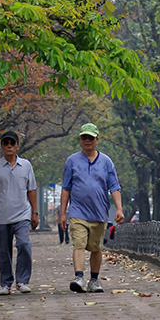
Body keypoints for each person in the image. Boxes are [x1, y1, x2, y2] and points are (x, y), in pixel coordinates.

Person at [60, 123, 124, 293]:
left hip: (99, 213)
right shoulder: (72, 161)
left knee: (96, 248)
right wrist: (62, 214)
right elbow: (66, 188)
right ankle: (79, 277)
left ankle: (94, 280)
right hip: (77, 212)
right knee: (79, 244)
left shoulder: (106, 162)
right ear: (80, 140)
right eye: (84, 138)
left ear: (97, 140)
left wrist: (119, 209)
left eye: (90, 138)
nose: (87, 141)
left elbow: (114, 187)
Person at [0, 129, 39, 295]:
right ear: (1, 146)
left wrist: (35, 212)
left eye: (12, 143)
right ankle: (6, 283)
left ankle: (22, 281)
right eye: (5, 143)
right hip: (1, 216)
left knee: (24, 244)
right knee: (3, 251)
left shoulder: (26, 165)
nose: (9, 146)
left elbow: (32, 189)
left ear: (17, 146)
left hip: (23, 214)